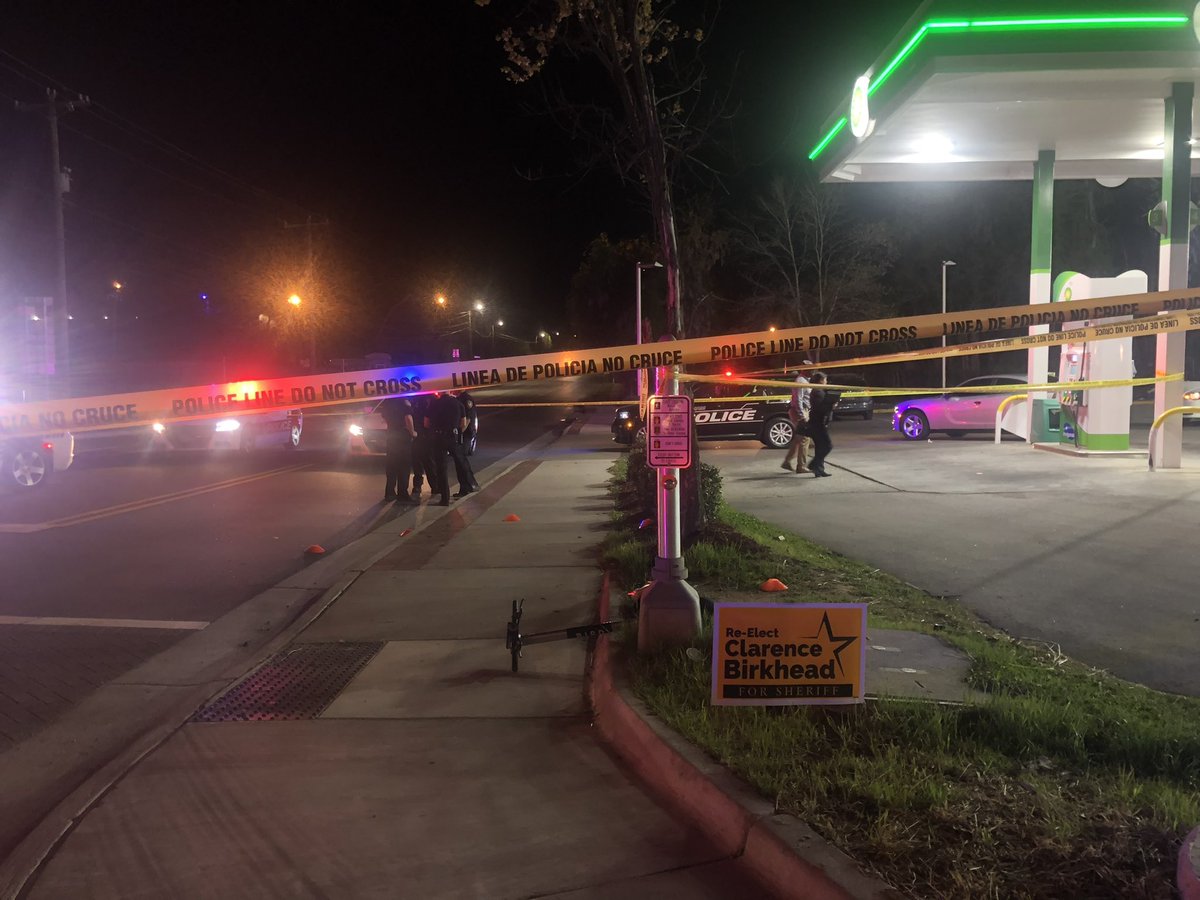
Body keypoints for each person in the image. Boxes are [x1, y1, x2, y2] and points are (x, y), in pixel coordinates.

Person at [426, 392, 475, 505]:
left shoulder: (434, 404)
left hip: (438, 438)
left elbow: (426, 423)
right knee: (461, 461)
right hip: (453, 437)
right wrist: (456, 432)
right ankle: (467, 485)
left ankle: (445, 498)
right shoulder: (458, 404)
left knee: (441, 468)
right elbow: (463, 423)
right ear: (450, 392)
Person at [379, 396, 416, 502]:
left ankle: (389, 493)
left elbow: (385, 418)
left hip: (391, 435)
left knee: (391, 466)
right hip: (402, 436)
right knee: (404, 466)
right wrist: (412, 432)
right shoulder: (404, 402)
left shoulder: (387, 402)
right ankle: (402, 493)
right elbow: (408, 418)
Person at [806, 371, 839, 478]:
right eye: (825, 380)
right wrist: (831, 406)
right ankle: (813, 465)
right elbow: (821, 409)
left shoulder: (818, 391)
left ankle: (819, 470)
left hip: (817, 422)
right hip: (818, 423)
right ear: (820, 381)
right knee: (827, 446)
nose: (826, 382)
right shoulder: (818, 392)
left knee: (820, 447)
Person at [782, 362, 813, 474]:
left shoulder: (805, 380)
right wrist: (801, 416)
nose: (813, 371)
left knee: (799, 438)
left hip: (802, 411)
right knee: (805, 438)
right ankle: (801, 466)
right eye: (811, 369)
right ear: (805, 369)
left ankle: (787, 461)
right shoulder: (801, 381)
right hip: (800, 411)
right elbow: (798, 400)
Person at [410, 395, 438, 499]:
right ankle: (419, 486)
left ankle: (434, 486)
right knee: (418, 462)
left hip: (427, 435)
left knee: (428, 462)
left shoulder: (432, 399)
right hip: (419, 435)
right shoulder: (415, 399)